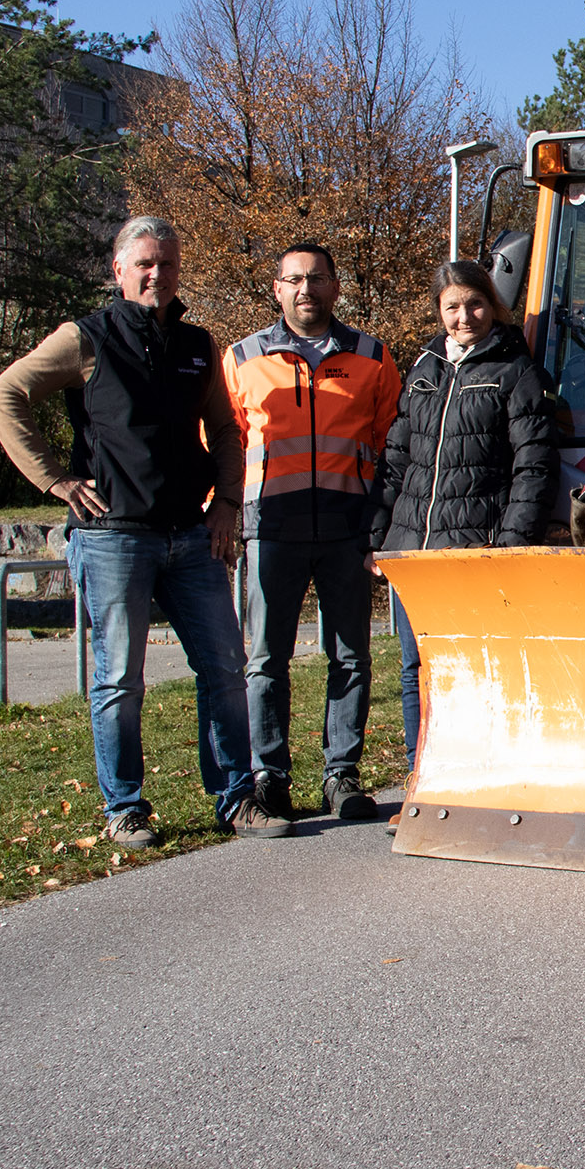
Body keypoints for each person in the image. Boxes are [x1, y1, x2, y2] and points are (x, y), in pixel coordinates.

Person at [0, 215, 287, 847]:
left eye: (168, 264)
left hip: (192, 535)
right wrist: (56, 481)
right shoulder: (84, 339)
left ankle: (236, 799)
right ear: (118, 271)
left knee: (227, 668)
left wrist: (227, 501)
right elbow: (3, 396)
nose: (157, 274)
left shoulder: (199, 345)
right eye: (145, 263)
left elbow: (227, 431)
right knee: (119, 678)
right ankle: (124, 807)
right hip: (112, 536)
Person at [222, 242, 402, 822]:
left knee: (350, 656)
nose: (307, 289)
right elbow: (220, 445)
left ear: (335, 287)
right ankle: (269, 778)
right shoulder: (242, 358)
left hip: (348, 529)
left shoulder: (373, 357)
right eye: (294, 280)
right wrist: (221, 514)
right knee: (264, 660)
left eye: (318, 279)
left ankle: (341, 775)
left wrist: (381, 525)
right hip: (269, 530)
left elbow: (392, 447)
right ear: (277, 289)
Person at [370, 261, 559, 762]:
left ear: (493, 305)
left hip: (476, 551)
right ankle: (421, 777)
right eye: (452, 306)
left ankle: (476, 776)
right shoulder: (424, 367)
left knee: (477, 668)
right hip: (415, 551)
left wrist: (513, 545)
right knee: (418, 669)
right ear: (439, 311)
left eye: (474, 303)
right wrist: (378, 539)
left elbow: (534, 466)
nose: (464, 316)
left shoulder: (516, 370)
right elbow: (396, 459)